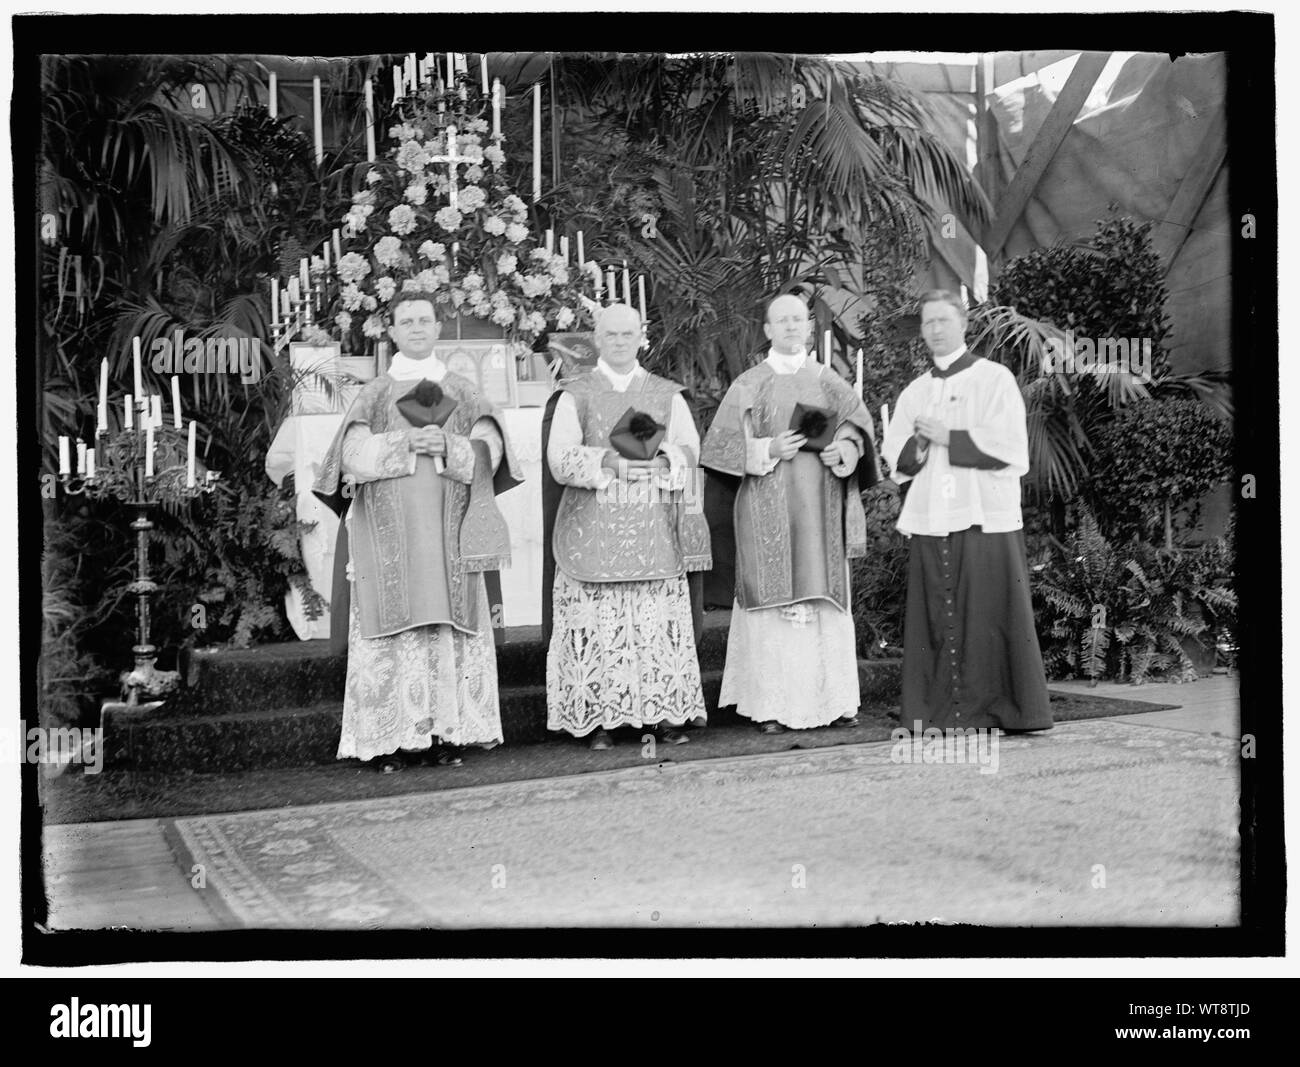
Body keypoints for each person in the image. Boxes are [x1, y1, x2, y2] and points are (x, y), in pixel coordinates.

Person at [313, 291, 522, 772]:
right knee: (394, 629)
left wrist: (448, 444)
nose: (416, 328)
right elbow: (349, 457)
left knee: (449, 627)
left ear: (437, 326)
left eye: (424, 320)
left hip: (452, 535)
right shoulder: (375, 393)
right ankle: (390, 738)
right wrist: (405, 442)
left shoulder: (465, 391)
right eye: (406, 321)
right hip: (388, 538)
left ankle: (448, 735)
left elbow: (491, 452)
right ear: (392, 331)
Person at [701, 293, 879, 732]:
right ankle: (771, 707)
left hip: (821, 512)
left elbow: (861, 428)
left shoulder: (829, 381)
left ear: (808, 327)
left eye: (798, 320)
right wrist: (766, 448)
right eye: (781, 321)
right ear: (767, 330)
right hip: (766, 510)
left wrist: (848, 450)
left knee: (822, 596)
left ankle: (833, 702)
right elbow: (719, 448)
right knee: (774, 599)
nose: (791, 328)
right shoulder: (748, 383)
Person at [882, 288, 1052, 734]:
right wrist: (917, 445)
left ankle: (1006, 710)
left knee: (989, 614)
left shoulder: (994, 379)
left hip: (983, 515)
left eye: (943, 320)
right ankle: (938, 710)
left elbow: (1013, 449)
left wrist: (949, 435)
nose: (935, 330)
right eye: (928, 323)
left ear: (963, 324)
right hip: (932, 516)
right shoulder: (914, 392)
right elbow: (896, 457)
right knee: (935, 615)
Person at [545, 303, 711, 750]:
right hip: (594, 526)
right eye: (611, 334)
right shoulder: (574, 393)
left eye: (628, 334)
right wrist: (608, 462)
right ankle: (601, 718)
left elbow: (690, 450)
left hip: (651, 523)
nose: (620, 341)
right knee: (600, 627)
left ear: (643, 337)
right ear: (596, 339)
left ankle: (661, 715)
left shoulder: (665, 394)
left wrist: (661, 463)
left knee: (653, 626)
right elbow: (559, 458)